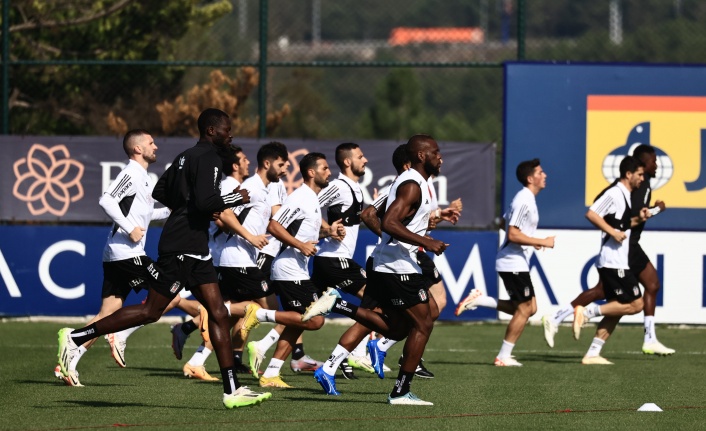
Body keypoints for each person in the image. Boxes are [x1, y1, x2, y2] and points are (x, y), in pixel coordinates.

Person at [56, 108, 272, 408]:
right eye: (227, 129)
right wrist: (236, 198)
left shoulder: (185, 156)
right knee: (151, 312)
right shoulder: (208, 157)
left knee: (219, 313)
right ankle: (78, 337)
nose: (230, 134)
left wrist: (184, 206)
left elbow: (161, 189)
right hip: (182, 245)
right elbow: (207, 203)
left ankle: (232, 390)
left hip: (196, 247)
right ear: (211, 131)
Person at [303, 135, 447, 406]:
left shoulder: (412, 183)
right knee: (424, 322)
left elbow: (372, 214)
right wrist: (426, 241)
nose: (441, 157)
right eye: (436, 152)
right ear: (420, 156)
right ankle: (400, 392)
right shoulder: (412, 185)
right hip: (397, 266)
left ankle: (338, 305)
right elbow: (390, 222)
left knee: (397, 328)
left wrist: (414, 232)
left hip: (386, 263)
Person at [53, 129, 171, 386]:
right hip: (126, 254)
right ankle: (121, 333)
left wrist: (173, 212)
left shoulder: (143, 178)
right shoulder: (131, 172)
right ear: (137, 149)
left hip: (119, 254)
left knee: (107, 315)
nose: (156, 147)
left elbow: (145, 217)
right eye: (151, 143)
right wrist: (130, 228)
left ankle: (69, 360)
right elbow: (107, 201)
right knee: (169, 289)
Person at [542, 145, 674, 355]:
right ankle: (646, 337)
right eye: (652, 161)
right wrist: (656, 210)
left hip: (623, 245)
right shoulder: (636, 186)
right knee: (643, 290)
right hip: (625, 247)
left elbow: (620, 214)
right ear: (639, 166)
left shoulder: (626, 188)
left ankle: (588, 346)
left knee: (614, 297)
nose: (655, 164)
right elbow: (632, 217)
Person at [239, 152, 345, 389]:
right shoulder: (301, 197)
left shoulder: (313, 200)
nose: (329, 172)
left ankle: (271, 373)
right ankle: (259, 315)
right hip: (288, 270)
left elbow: (304, 234)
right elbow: (274, 226)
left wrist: (329, 232)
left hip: (298, 270)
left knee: (296, 323)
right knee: (315, 321)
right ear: (311, 172)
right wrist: (300, 245)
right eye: (325, 169)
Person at [455, 158, 554, 367]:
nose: (544, 175)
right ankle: (503, 356)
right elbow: (512, 233)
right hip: (512, 262)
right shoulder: (524, 199)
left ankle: (480, 300)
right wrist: (540, 241)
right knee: (525, 310)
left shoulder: (526, 199)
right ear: (530, 178)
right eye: (540, 172)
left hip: (516, 260)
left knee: (530, 308)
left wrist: (529, 240)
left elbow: (503, 222)